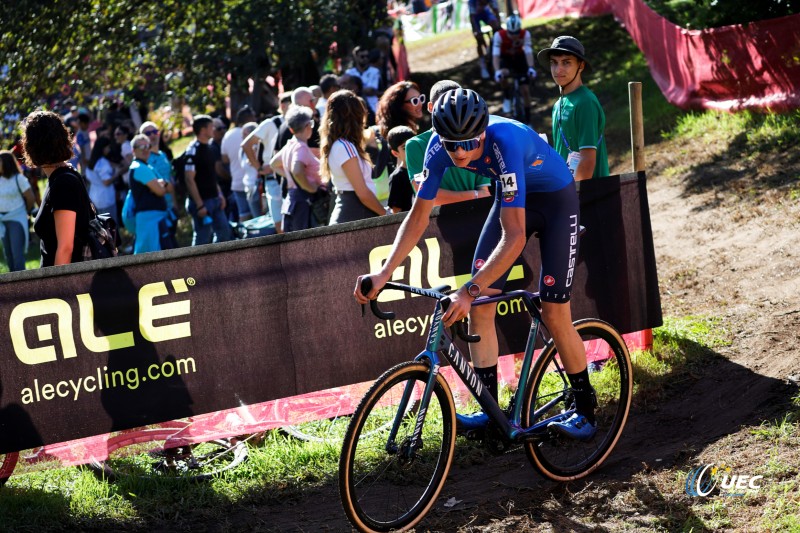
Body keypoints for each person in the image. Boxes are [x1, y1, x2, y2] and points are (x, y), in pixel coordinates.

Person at [355, 89, 597, 441]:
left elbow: (514, 237)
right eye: (452, 144)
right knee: (480, 308)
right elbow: (418, 216)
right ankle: (491, 412)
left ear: (483, 131)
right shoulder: (438, 150)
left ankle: (585, 409)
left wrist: (469, 290)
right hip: (511, 196)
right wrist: (383, 273)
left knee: (554, 310)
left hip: (555, 202)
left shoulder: (505, 142)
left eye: (469, 143)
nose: (461, 153)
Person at [405, 80, 492, 204]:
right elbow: (426, 196)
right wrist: (474, 195)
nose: (449, 111)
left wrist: (476, 195)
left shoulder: (476, 139)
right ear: (430, 107)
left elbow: (485, 192)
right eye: (443, 105)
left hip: (475, 215)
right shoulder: (416, 145)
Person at [23, 111, 91, 267]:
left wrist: (56, 289)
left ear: (31, 146)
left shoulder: (63, 183)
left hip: (65, 285)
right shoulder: (62, 176)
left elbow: (66, 248)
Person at [537, 35, 609, 180]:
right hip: (566, 191)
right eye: (554, 63)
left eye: (566, 62)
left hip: (591, 196)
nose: (558, 69)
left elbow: (587, 161)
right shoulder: (558, 104)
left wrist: (571, 196)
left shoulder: (585, 102)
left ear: (581, 66)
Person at [320, 90, 386, 224]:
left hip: (353, 213)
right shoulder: (345, 146)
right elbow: (363, 193)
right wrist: (387, 215)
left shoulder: (340, 145)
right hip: (354, 213)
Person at [241, 91, 292, 232]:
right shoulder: (271, 123)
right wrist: (260, 169)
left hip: (291, 176)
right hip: (274, 178)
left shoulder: (299, 122)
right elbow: (246, 144)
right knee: (279, 223)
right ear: (282, 105)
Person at [270, 106, 323, 232]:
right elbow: (297, 170)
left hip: (293, 201)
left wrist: (290, 178)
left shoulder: (290, 145)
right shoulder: (301, 147)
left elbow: (273, 164)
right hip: (304, 203)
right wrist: (310, 187)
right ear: (308, 125)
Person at [183, 115, 234, 245]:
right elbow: (189, 179)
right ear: (203, 130)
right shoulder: (192, 151)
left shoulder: (210, 148)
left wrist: (220, 195)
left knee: (224, 233)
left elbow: (211, 175)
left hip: (215, 199)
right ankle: (197, 265)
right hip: (202, 203)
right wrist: (200, 205)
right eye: (212, 127)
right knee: (202, 239)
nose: (214, 130)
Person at [127, 134, 175, 254]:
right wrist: (161, 185)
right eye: (141, 146)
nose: (146, 149)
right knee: (148, 258)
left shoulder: (147, 166)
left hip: (155, 219)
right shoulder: (139, 167)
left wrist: (160, 185)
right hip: (149, 220)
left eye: (148, 146)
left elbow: (169, 187)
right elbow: (161, 191)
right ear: (133, 150)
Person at [492, 12, 537, 122]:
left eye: (516, 32)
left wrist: (531, 67)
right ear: (507, 30)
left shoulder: (525, 34)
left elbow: (528, 52)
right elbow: (496, 56)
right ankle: (507, 96)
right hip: (505, 59)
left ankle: (528, 119)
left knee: (525, 91)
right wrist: (497, 71)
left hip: (519, 58)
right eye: (511, 33)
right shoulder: (499, 35)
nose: (514, 35)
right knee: (502, 74)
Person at [0, 150, 36, 271]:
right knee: (8, 254)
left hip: (16, 219)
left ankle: (22, 286)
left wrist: (24, 211)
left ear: (6, 163)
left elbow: (30, 197)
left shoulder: (18, 178)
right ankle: (12, 286)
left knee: (17, 254)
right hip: (2, 221)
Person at [221, 105, 257, 222]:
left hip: (236, 182)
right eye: (254, 117)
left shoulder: (228, 135)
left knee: (244, 215)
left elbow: (224, 159)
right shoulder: (252, 133)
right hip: (254, 183)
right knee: (259, 218)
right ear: (249, 119)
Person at [139, 121, 179, 214]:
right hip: (157, 208)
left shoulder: (163, 154)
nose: (152, 135)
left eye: (155, 131)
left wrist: (175, 204)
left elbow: (169, 179)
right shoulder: (144, 160)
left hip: (171, 205)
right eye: (148, 133)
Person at [85, 137, 118, 226]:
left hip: (94, 197)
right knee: (111, 227)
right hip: (106, 199)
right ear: (103, 148)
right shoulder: (103, 163)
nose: (109, 149)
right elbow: (106, 182)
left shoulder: (92, 161)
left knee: (100, 227)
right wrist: (117, 174)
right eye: (108, 147)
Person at [385, 126, 415, 213]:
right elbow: (396, 211)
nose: (411, 149)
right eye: (405, 147)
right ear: (395, 153)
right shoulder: (397, 177)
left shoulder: (425, 169)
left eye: (413, 144)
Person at [469, 0, 501, 80]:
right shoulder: (472, 2)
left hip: (486, 14)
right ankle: (483, 64)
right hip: (476, 17)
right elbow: (472, 17)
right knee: (479, 40)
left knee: (496, 27)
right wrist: (475, 31)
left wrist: (498, 26)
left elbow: (496, 11)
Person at [345, 46, 382, 114]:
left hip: (372, 108)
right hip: (354, 107)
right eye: (362, 56)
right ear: (355, 57)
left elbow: (371, 90)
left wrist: (356, 90)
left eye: (367, 56)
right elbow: (347, 90)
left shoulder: (375, 71)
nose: (365, 58)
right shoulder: (349, 73)